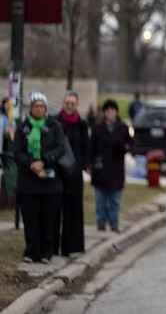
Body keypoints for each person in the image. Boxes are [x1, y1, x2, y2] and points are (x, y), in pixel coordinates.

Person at [14, 92, 66, 263]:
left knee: (48, 218)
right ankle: (31, 251)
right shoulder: (23, 127)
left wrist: (44, 161)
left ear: (45, 108)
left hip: (49, 180)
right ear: (31, 108)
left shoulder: (54, 126)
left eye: (42, 106)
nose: (39, 109)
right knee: (30, 218)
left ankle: (46, 252)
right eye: (36, 106)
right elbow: (17, 152)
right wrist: (31, 164)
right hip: (28, 180)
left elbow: (60, 149)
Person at [54, 91, 90, 257]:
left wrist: (81, 165)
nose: (69, 106)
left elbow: (85, 148)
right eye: (67, 103)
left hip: (74, 174)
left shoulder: (81, 124)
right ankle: (52, 246)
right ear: (63, 104)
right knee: (54, 211)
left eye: (72, 104)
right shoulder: (55, 122)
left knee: (73, 211)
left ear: (76, 105)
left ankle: (71, 246)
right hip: (57, 173)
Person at [89, 99, 132, 233]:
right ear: (104, 113)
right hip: (100, 168)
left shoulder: (123, 127)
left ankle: (114, 224)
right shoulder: (97, 128)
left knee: (114, 200)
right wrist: (89, 164)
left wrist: (124, 146)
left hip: (116, 169)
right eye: (107, 111)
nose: (110, 113)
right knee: (100, 200)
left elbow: (131, 144)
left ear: (116, 112)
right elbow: (91, 148)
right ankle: (101, 223)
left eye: (113, 110)